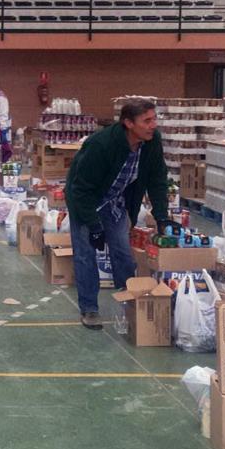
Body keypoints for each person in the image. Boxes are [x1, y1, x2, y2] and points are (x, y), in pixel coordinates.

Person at [65, 97, 170, 329]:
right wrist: (93, 226)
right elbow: (80, 189)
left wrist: (161, 216)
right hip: (86, 201)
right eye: (147, 120)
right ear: (128, 123)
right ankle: (90, 308)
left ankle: (129, 299)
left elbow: (157, 178)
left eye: (155, 119)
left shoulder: (152, 142)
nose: (153, 125)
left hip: (114, 200)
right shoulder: (101, 145)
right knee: (86, 254)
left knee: (122, 251)